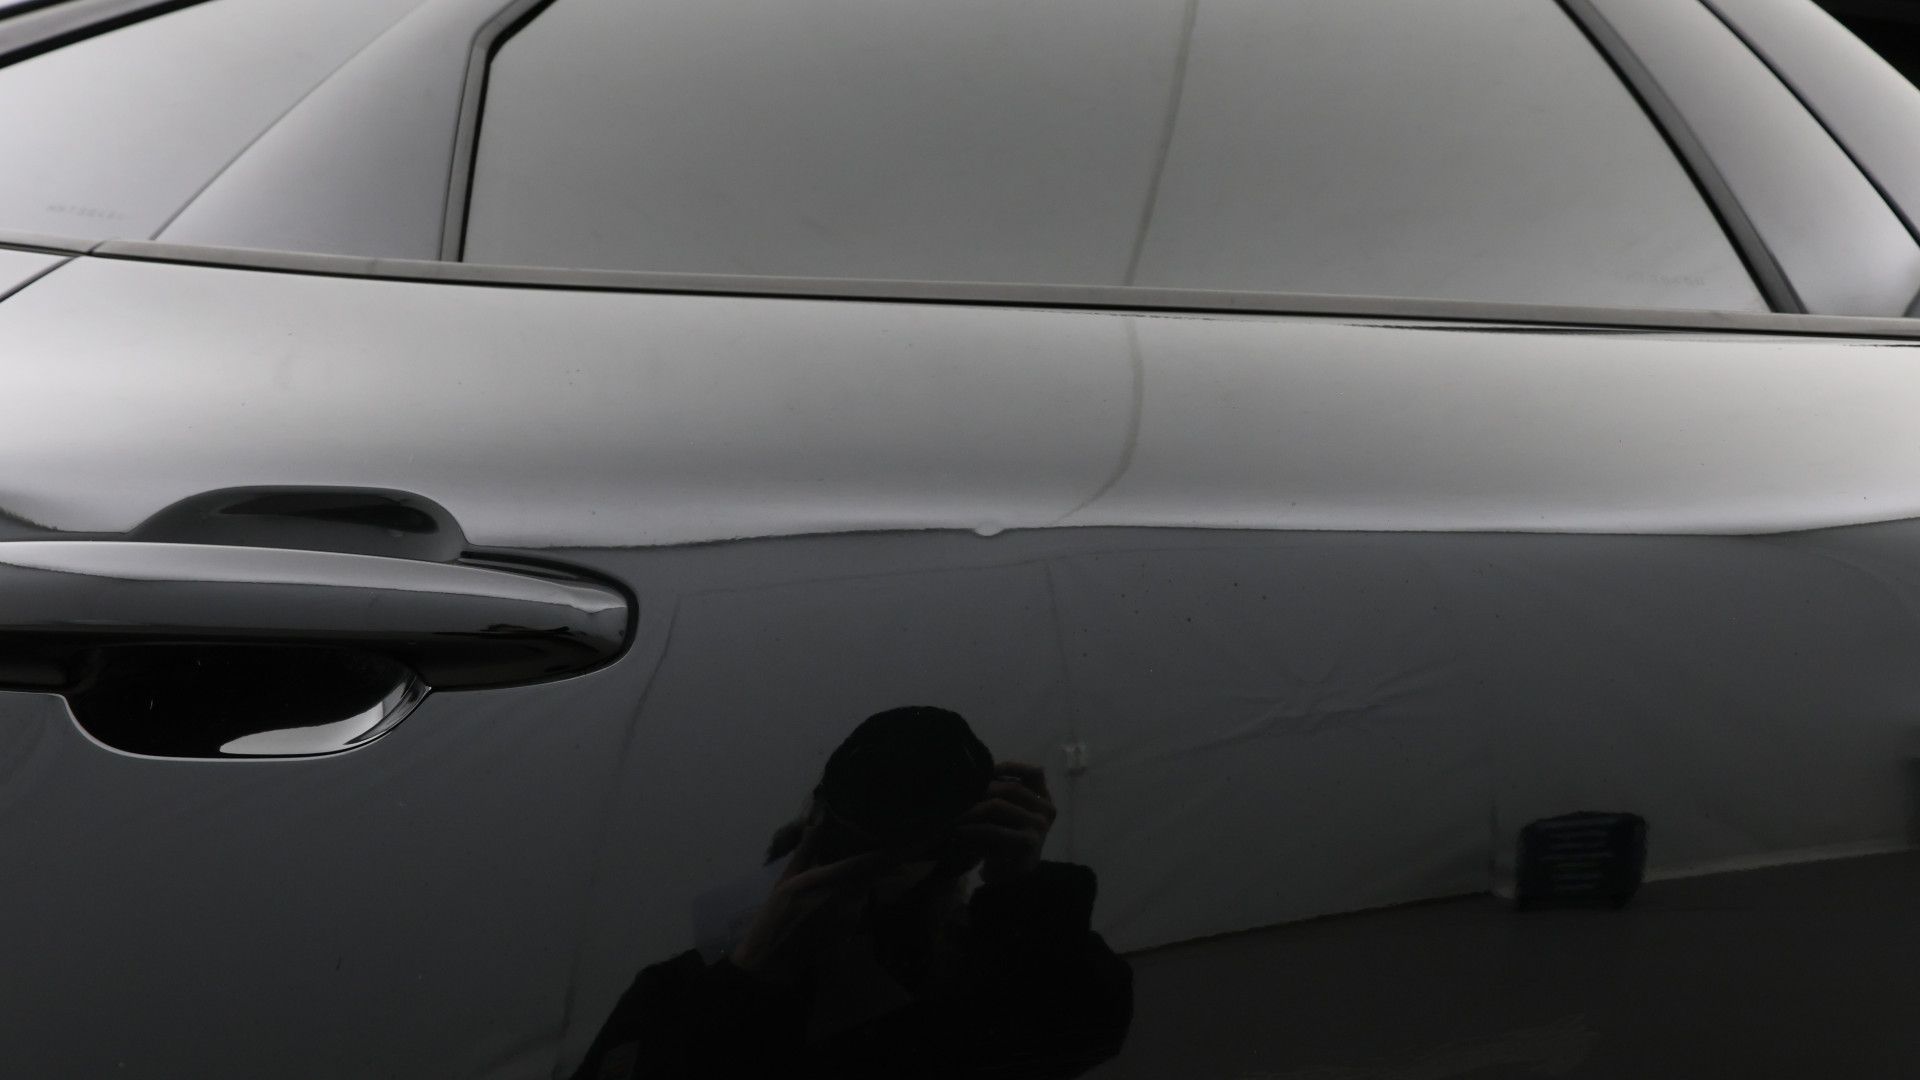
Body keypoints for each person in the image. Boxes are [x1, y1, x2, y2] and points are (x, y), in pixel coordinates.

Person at [571, 706, 1134, 1079]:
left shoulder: (982, 964)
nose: (890, 839)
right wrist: (749, 979)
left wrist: (1023, 889)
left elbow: (1078, 1039)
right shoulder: (682, 989)